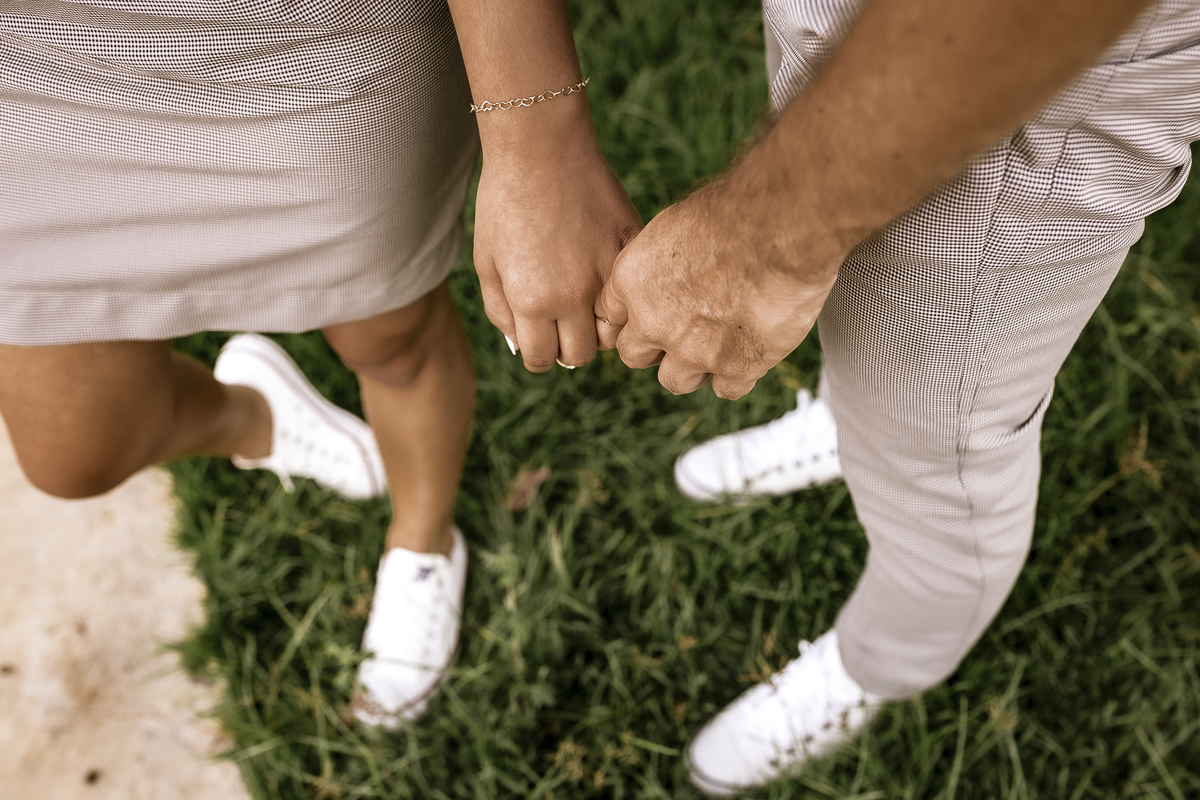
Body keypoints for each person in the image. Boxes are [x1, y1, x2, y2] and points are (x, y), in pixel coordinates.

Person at [585, 0, 1200, 794]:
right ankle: (852, 425)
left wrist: (761, 244)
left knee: (940, 457)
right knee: (863, 317)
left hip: (1020, 69)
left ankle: (881, 664)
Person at [0, 0, 638, 730]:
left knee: (390, 341)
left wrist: (538, 142)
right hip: (24, 87)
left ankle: (423, 541)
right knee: (76, 453)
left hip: (309, 45)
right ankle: (256, 416)